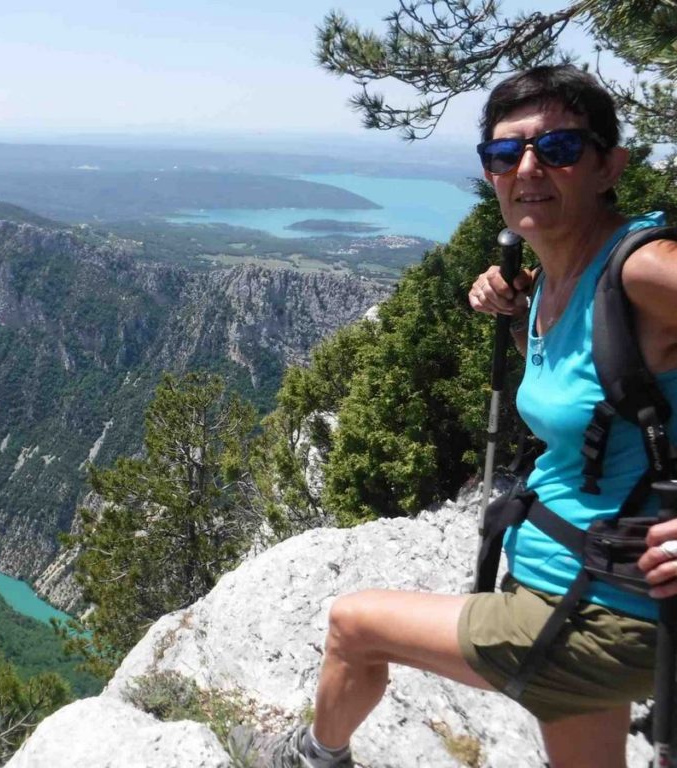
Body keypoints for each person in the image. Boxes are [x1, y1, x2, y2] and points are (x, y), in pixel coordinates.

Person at [249, 65, 677, 768]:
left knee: (354, 626)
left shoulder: (643, 269)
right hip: (582, 580)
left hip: (598, 610)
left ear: (610, 166)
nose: (528, 169)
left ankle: (309, 757)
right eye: (505, 155)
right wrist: (518, 316)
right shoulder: (555, 276)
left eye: (560, 149)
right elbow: (597, 386)